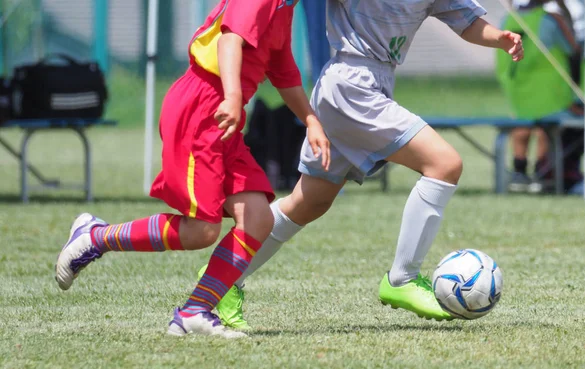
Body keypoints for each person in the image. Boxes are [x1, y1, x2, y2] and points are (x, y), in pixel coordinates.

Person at [199, 0, 524, 330]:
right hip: (351, 83)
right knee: (445, 164)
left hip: (367, 85)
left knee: (308, 202)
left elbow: (466, 22)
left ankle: (225, 276)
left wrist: (499, 37)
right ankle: (402, 278)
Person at [54, 0, 330, 339]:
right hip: (202, 108)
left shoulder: (285, 6)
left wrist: (311, 120)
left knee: (259, 217)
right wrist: (231, 95)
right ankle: (96, 237)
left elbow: (282, 69)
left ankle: (195, 311)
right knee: (202, 230)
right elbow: (230, 40)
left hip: (223, 117)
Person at [498, 0, 581, 192]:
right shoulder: (549, 20)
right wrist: (564, 12)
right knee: (545, 128)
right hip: (548, 85)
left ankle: (519, 170)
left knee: (521, 123)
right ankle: (541, 172)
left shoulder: (508, 19)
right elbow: (572, 48)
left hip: (516, 81)